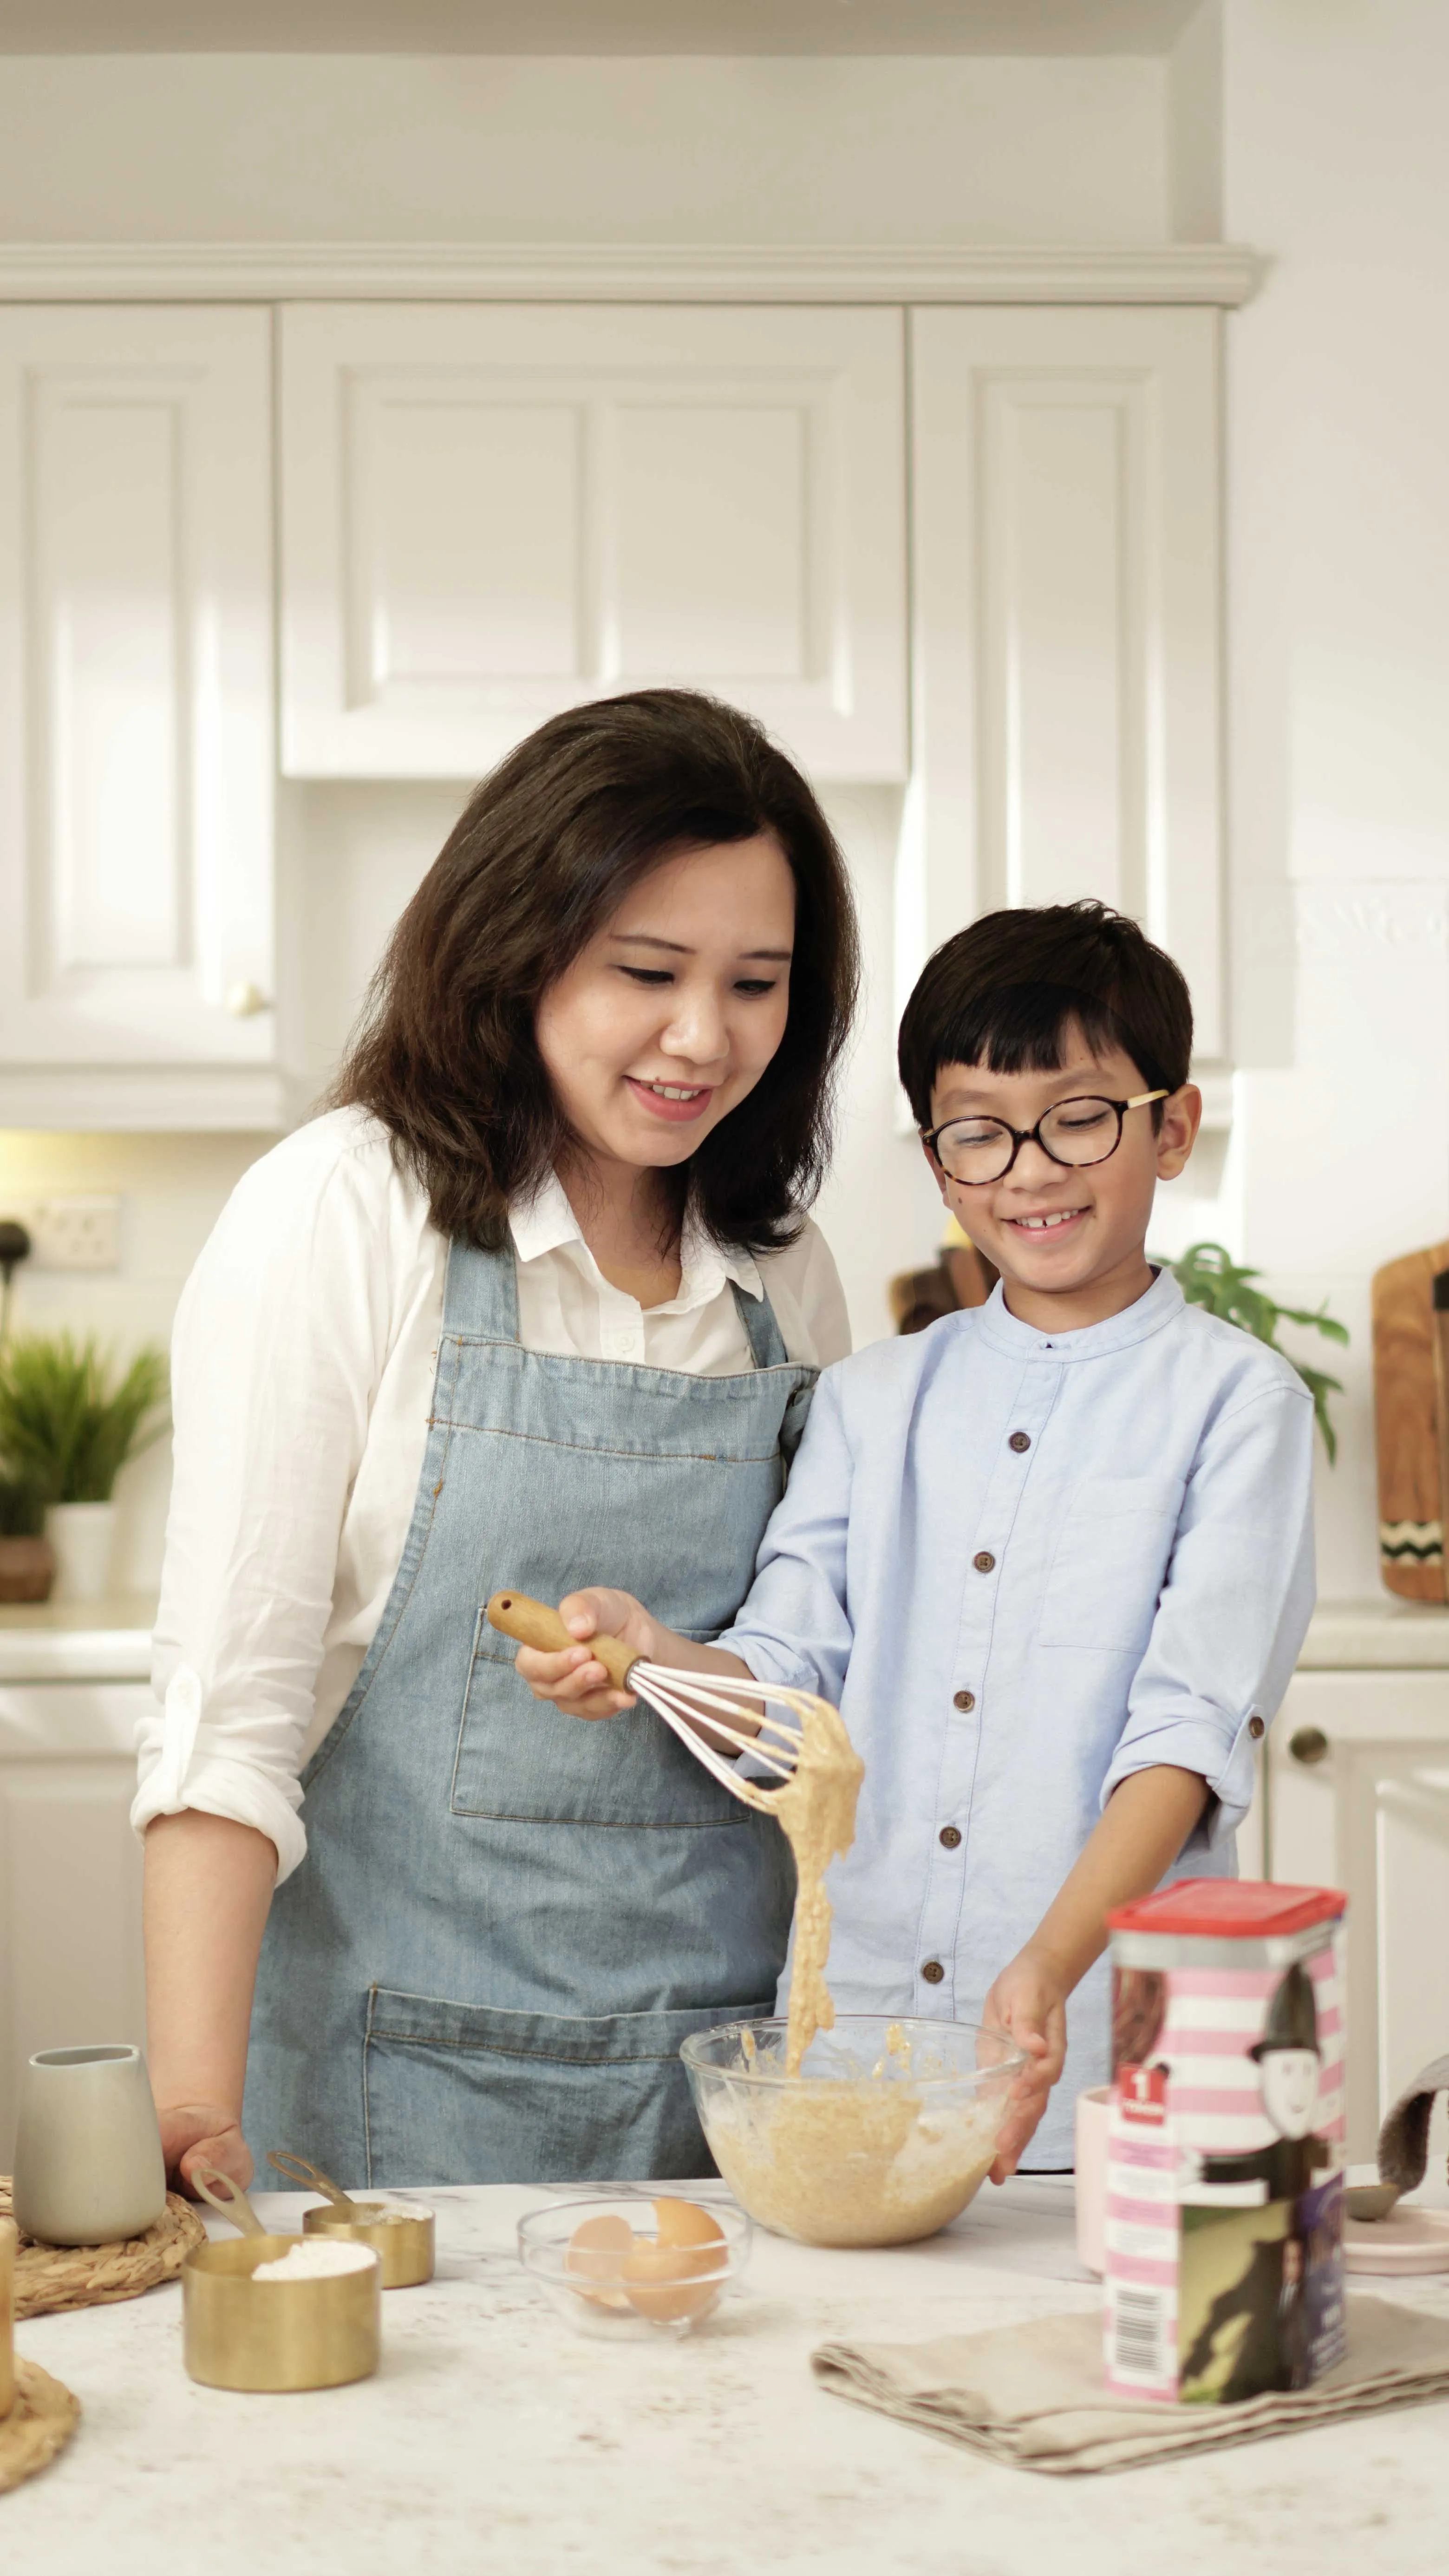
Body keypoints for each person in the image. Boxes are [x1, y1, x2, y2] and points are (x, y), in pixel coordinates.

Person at [134, 688, 858, 2194]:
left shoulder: (783, 1270)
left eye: (758, 983)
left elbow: (811, 1684)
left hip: (730, 2103)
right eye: (646, 971)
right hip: (405, 2106)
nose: (700, 1037)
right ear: (517, 951)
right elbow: (231, 1712)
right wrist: (195, 2115)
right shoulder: (344, 1212)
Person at [518, 901, 1316, 2171]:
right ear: (941, 1164)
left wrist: (1044, 1970)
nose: (1032, 1170)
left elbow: (1183, 1735)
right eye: (980, 1134)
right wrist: (654, 1656)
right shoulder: (873, 1399)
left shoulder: (1241, 1408)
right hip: (850, 2056)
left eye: (1079, 1117)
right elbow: (792, 1682)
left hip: (1093, 2061)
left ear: (1171, 1128)